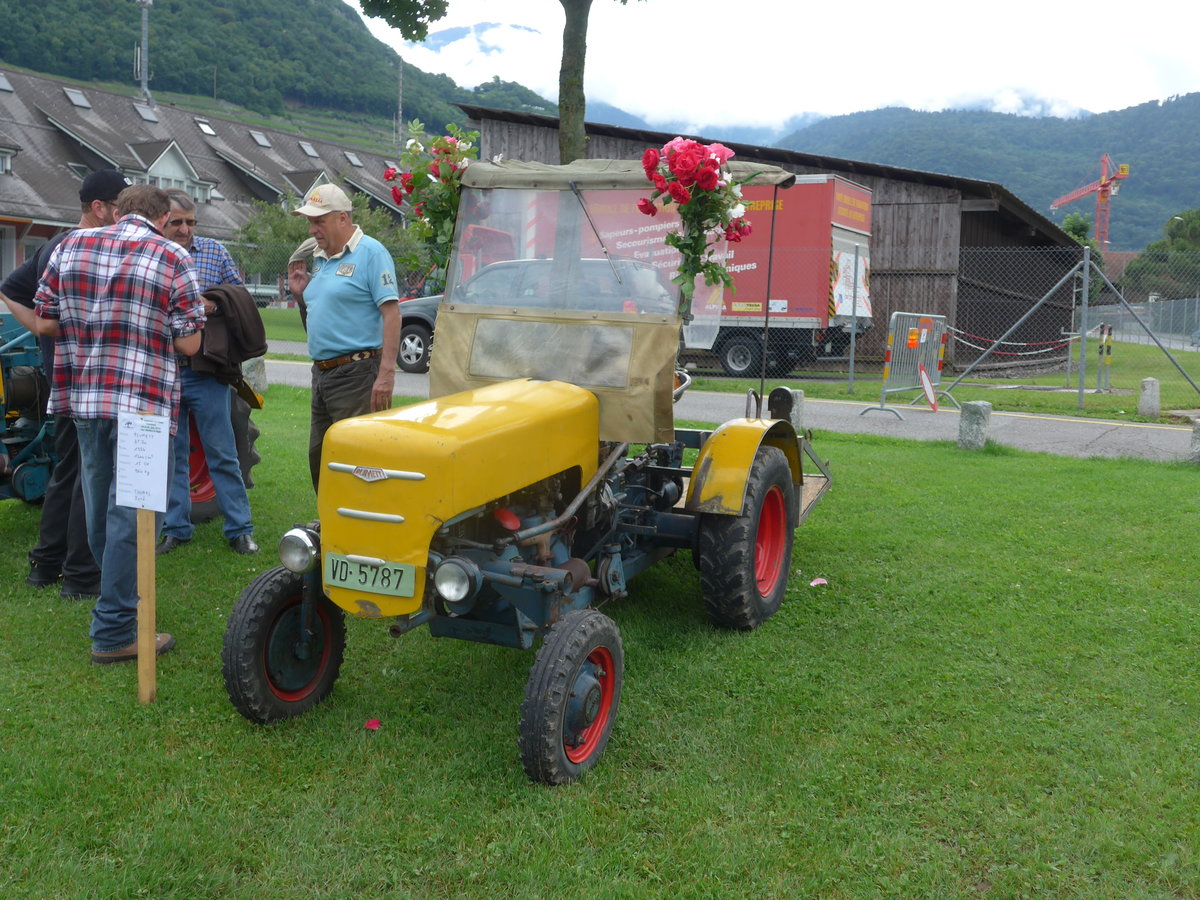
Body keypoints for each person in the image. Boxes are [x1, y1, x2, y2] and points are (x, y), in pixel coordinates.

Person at [34, 184, 207, 665]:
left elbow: (46, 320)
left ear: (117, 211)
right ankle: (114, 632)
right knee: (131, 515)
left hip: (85, 399)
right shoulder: (171, 255)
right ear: (161, 216)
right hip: (144, 404)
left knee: (100, 506)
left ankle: (117, 603)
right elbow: (190, 344)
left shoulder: (70, 245)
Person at [0, 169, 128, 599]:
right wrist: (42, 327)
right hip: (83, 379)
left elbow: (11, 288)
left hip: (67, 377)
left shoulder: (56, 244)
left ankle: (45, 563)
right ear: (99, 208)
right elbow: (14, 291)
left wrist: (41, 326)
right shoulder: (75, 246)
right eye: (120, 207)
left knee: (69, 469)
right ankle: (79, 576)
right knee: (86, 474)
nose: (125, 216)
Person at [155, 188, 258, 556]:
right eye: (177, 222)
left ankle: (240, 530)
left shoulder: (214, 251)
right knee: (171, 454)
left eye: (190, 222)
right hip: (161, 369)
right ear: (162, 220)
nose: (184, 229)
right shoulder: (150, 253)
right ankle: (175, 528)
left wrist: (210, 305)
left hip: (205, 370)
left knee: (222, 452)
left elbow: (240, 296)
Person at [288, 184, 400, 489]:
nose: (312, 230)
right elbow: (321, 319)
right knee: (320, 455)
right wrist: (300, 296)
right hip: (323, 373)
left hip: (358, 373)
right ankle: (332, 523)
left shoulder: (371, 252)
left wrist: (386, 375)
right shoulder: (321, 258)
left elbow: (392, 313)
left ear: (342, 218)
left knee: (358, 460)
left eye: (318, 221)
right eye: (310, 222)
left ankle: (364, 526)